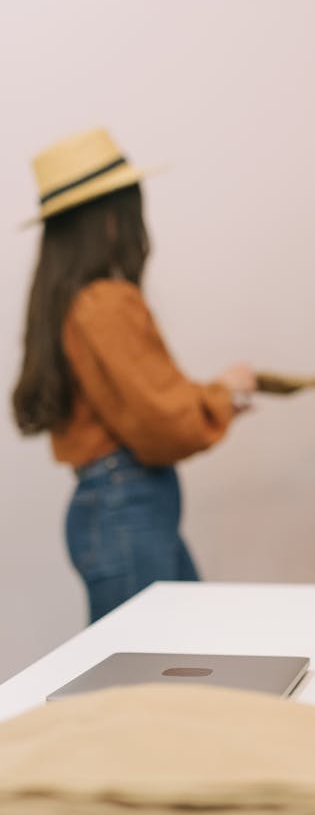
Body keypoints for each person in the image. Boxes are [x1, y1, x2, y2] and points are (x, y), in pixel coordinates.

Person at [12, 127, 256, 622]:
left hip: (117, 506)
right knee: (142, 681)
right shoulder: (106, 301)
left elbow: (142, 398)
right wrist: (222, 396)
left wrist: (212, 397)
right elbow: (158, 417)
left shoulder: (70, 303)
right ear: (110, 219)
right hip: (128, 506)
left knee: (172, 660)